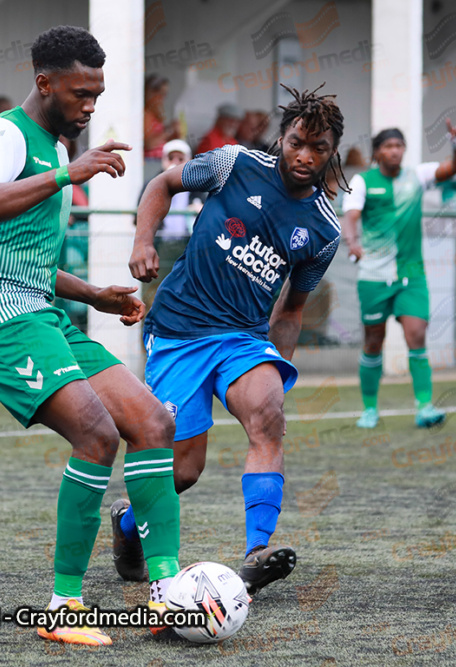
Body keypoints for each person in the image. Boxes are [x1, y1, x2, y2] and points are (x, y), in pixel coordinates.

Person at [0, 25, 180, 646]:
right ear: (44, 83)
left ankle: (166, 593)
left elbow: (23, 261)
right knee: (97, 434)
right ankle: (62, 605)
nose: (90, 106)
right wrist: (68, 174)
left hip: (39, 309)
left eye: (97, 94)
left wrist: (96, 295)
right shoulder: (5, 133)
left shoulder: (52, 147)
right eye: (80, 93)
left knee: (154, 422)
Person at [119, 84, 349, 596]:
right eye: (296, 143)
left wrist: (275, 369)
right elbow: (163, 184)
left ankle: (255, 552)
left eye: (319, 149)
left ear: (334, 154)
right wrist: (142, 241)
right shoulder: (233, 163)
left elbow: (291, 309)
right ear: (282, 139)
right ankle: (129, 522)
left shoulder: (324, 229)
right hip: (178, 330)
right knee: (184, 470)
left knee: (268, 418)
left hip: (243, 338)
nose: (305, 156)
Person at [342, 124, 456, 429]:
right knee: (373, 341)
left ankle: (424, 407)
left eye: (399, 145)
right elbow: (350, 216)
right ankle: (369, 409)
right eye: (388, 146)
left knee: (417, 335)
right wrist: (353, 242)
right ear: (377, 152)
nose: (394, 150)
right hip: (374, 276)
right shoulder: (362, 181)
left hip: (411, 275)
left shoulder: (417, 176)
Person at [136, 138, 203, 312]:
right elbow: (139, 217)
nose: (174, 163)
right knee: (153, 297)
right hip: (159, 247)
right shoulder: (152, 186)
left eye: (180, 159)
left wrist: (199, 209)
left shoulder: (199, 187)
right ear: (163, 160)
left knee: (188, 297)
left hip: (187, 248)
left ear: (188, 161)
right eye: (170, 158)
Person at [143, 74, 179, 159]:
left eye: (165, 94)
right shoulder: (146, 114)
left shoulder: (155, 113)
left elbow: (159, 139)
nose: (163, 98)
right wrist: (169, 130)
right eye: (161, 93)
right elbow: (149, 144)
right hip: (150, 161)